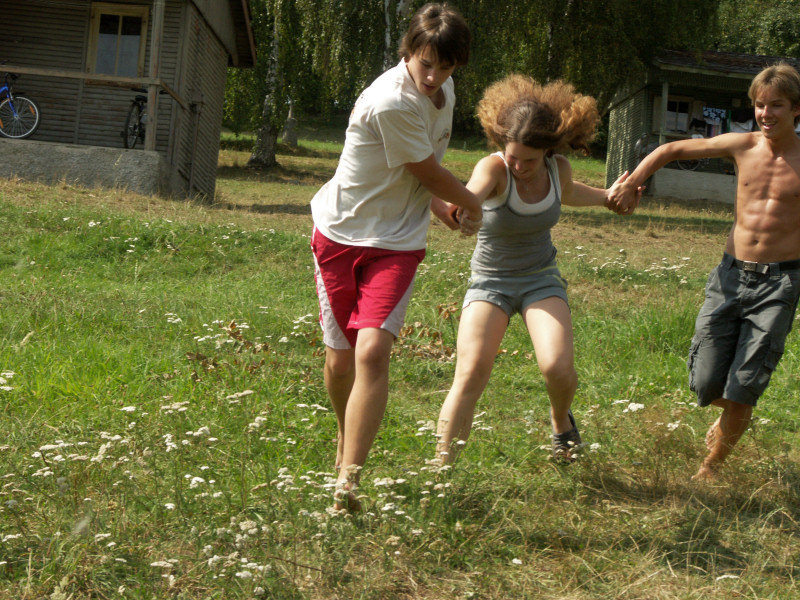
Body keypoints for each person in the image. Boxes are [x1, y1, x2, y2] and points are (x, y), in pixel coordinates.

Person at [309, 3, 482, 511]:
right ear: (408, 51)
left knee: (372, 352)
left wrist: (442, 209)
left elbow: (417, 174)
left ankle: (348, 481)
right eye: (426, 65)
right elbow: (427, 171)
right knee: (340, 359)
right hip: (340, 234)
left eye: (446, 68)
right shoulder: (390, 100)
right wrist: (472, 203)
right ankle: (345, 436)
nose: (434, 78)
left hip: (397, 243)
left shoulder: (444, 91)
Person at [434, 74, 638, 466]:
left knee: (557, 368)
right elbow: (467, 198)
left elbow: (570, 193)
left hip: (540, 279)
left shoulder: (558, 169)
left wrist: (609, 197)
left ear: (547, 150)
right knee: (470, 372)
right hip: (490, 282)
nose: (519, 166)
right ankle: (441, 471)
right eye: (512, 156)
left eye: (529, 160)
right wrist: (462, 211)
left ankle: (561, 422)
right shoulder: (493, 169)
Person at [610, 62, 800, 480]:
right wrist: (633, 183)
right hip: (731, 276)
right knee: (705, 380)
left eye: (777, 105)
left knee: (745, 385)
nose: (766, 114)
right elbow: (669, 151)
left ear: (796, 109)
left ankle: (711, 466)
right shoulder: (743, 145)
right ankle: (730, 409)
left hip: (780, 283)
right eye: (760, 105)